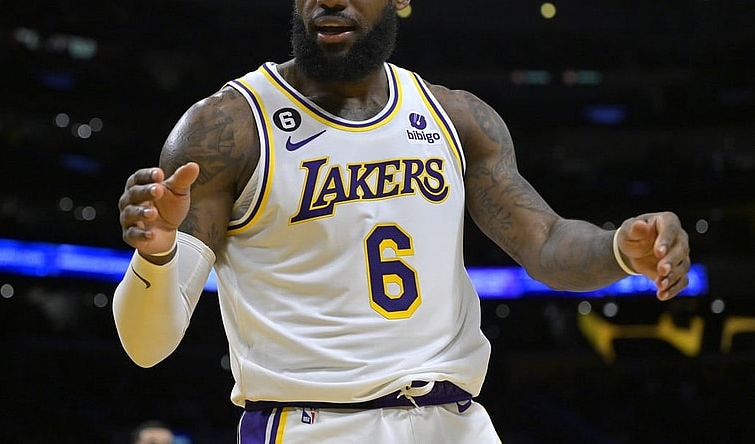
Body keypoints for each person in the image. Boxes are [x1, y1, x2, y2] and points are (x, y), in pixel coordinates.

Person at [113, 1, 691, 442]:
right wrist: (157, 254)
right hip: (316, 426)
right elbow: (146, 346)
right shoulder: (226, 129)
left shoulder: (457, 117)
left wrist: (619, 249)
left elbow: (546, 240)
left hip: (455, 422)